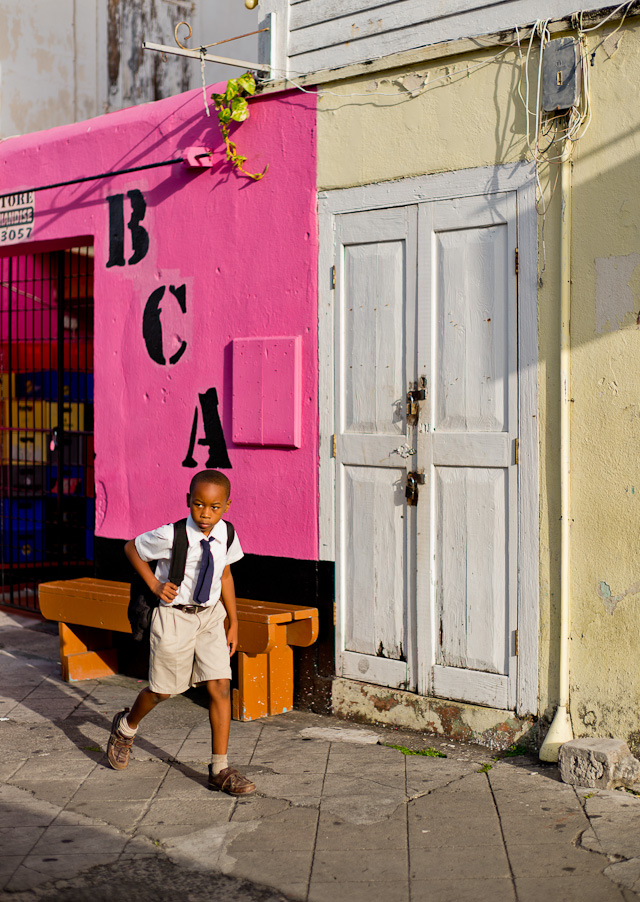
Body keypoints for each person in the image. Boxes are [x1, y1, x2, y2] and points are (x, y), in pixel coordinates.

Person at [107, 468, 256, 796]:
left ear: (227, 506)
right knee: (162, 691)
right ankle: (126, 727)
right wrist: (156, 584)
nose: (206, 514)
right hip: (174, 618)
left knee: (220, 685)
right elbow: (132, 548)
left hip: (210, 618)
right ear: (188, 501)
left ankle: (219, 768)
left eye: (214, 507)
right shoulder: (170, 535)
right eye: (199, 505)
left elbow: (225, 576)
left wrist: (234, 621)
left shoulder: (227, 534)